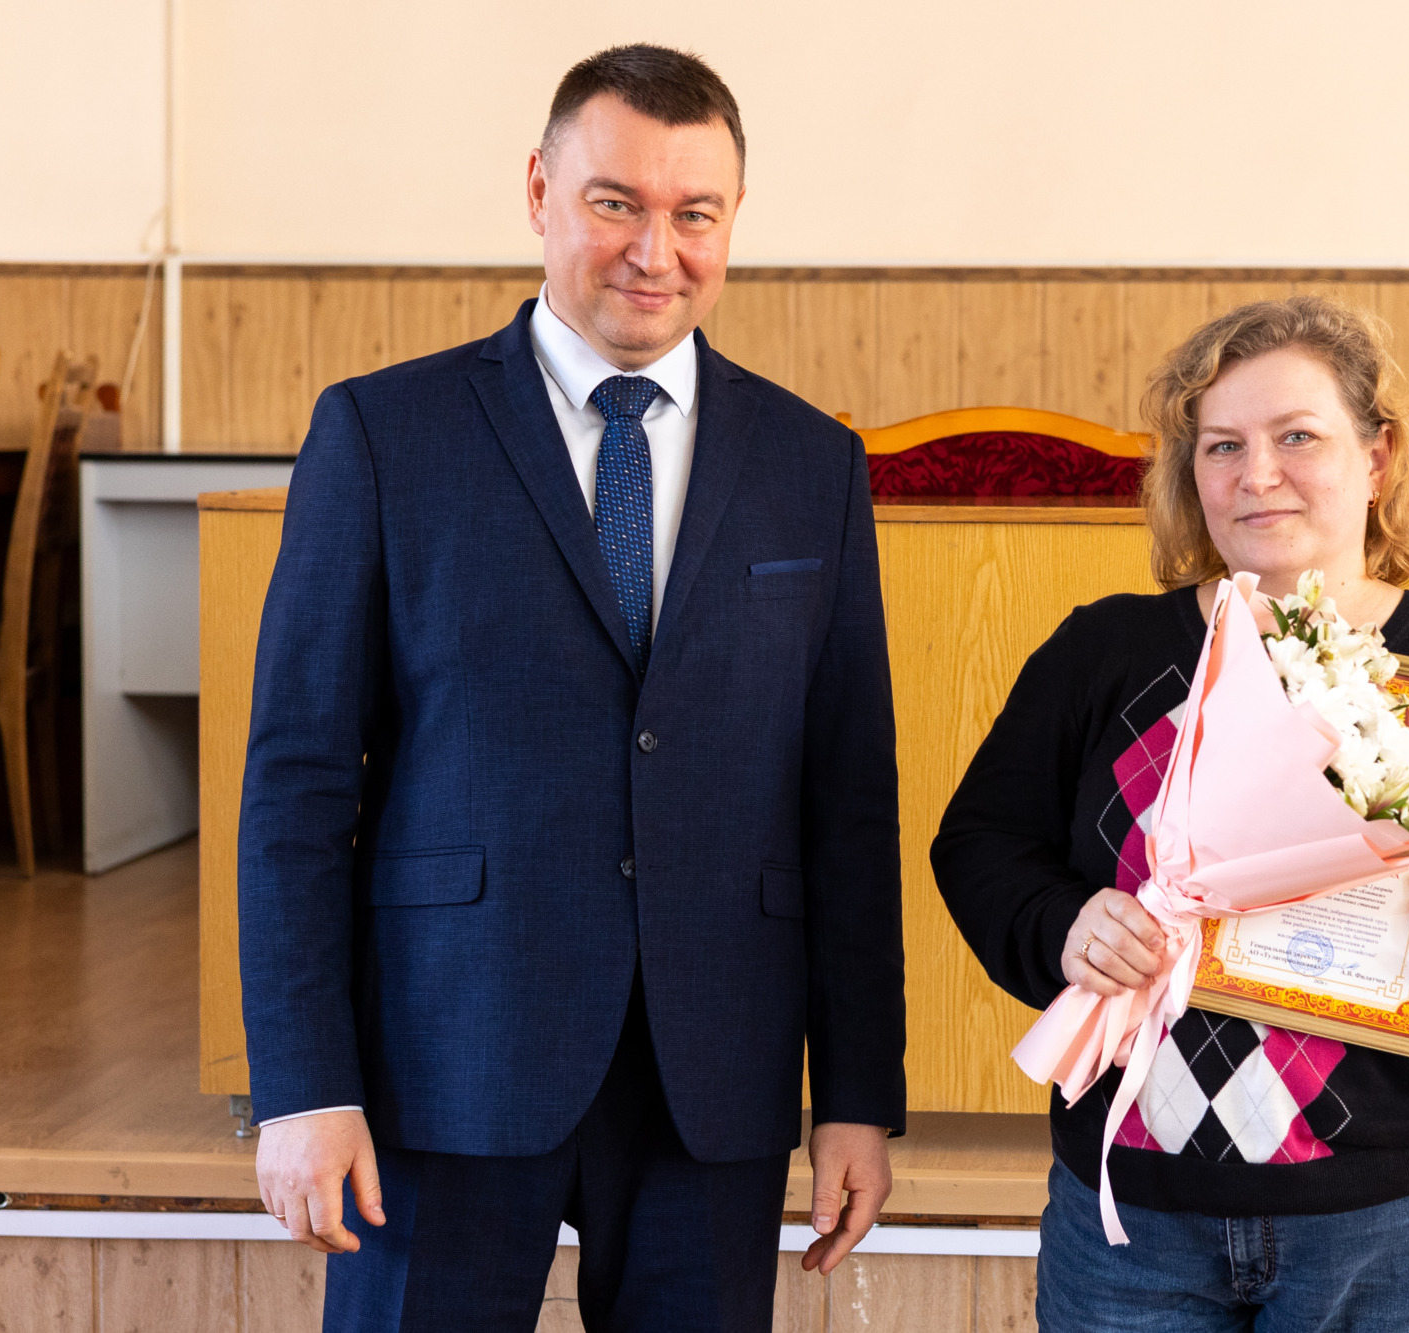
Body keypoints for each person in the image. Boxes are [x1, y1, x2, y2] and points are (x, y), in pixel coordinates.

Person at [238, 44, 904, 1332]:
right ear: (540, 191)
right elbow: (297, 787)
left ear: (732, 221)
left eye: (693, 213)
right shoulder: (383, 434)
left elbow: (847, 806)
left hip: (713, 1066)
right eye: (615, 203)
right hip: (449, 1052)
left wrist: (856, 1096)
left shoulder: (810, 463)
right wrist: (305, 1082)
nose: (656, 251)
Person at [932, 296, 1409, 1332]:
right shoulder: (1103, 654)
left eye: (1296, 436)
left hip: (1399, 1224)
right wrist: (1062, 925)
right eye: (1222, 445)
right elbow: (981, 844)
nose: (1256, 474)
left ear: (1377, 457)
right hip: (1134, 1218)